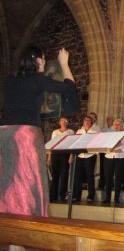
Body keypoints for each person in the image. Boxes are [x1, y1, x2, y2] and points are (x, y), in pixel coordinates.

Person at [0, 46, 75, 217]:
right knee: (29, 181)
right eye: (44, 59)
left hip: (3, 134)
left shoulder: (10, 79)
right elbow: (69, 87)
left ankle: (7, 227)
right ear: (37, 60)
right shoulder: (37, 80)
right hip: (25, 135)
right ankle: (27, 227)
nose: (45, 63)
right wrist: (64, 64)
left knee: (7, 182)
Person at [73, 116, 99, 202]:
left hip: (90, 155)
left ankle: (91, 196)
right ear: (83, 122)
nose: (87, 122)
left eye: (88, 120)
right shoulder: (79, 131)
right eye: (85, 120)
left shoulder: (95, 132)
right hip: (80, 155)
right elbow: (75, 142)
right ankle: (76, 196)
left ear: (91, 123)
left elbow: (96, 143)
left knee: (89, 175)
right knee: (78, 176)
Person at [48, 117, 75, 202]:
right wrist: (49, 157)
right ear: (59, 122)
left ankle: (62, 195)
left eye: (65, 121)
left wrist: (71, 155)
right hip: (55, 153)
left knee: (64, 175)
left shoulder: (70, 131)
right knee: (54, 175)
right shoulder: (55, 132)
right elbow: (51, 145)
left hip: (65, 154)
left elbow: (72, 144)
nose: (63, 122)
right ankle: (53, 195)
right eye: (62, 121)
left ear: (67, 123)